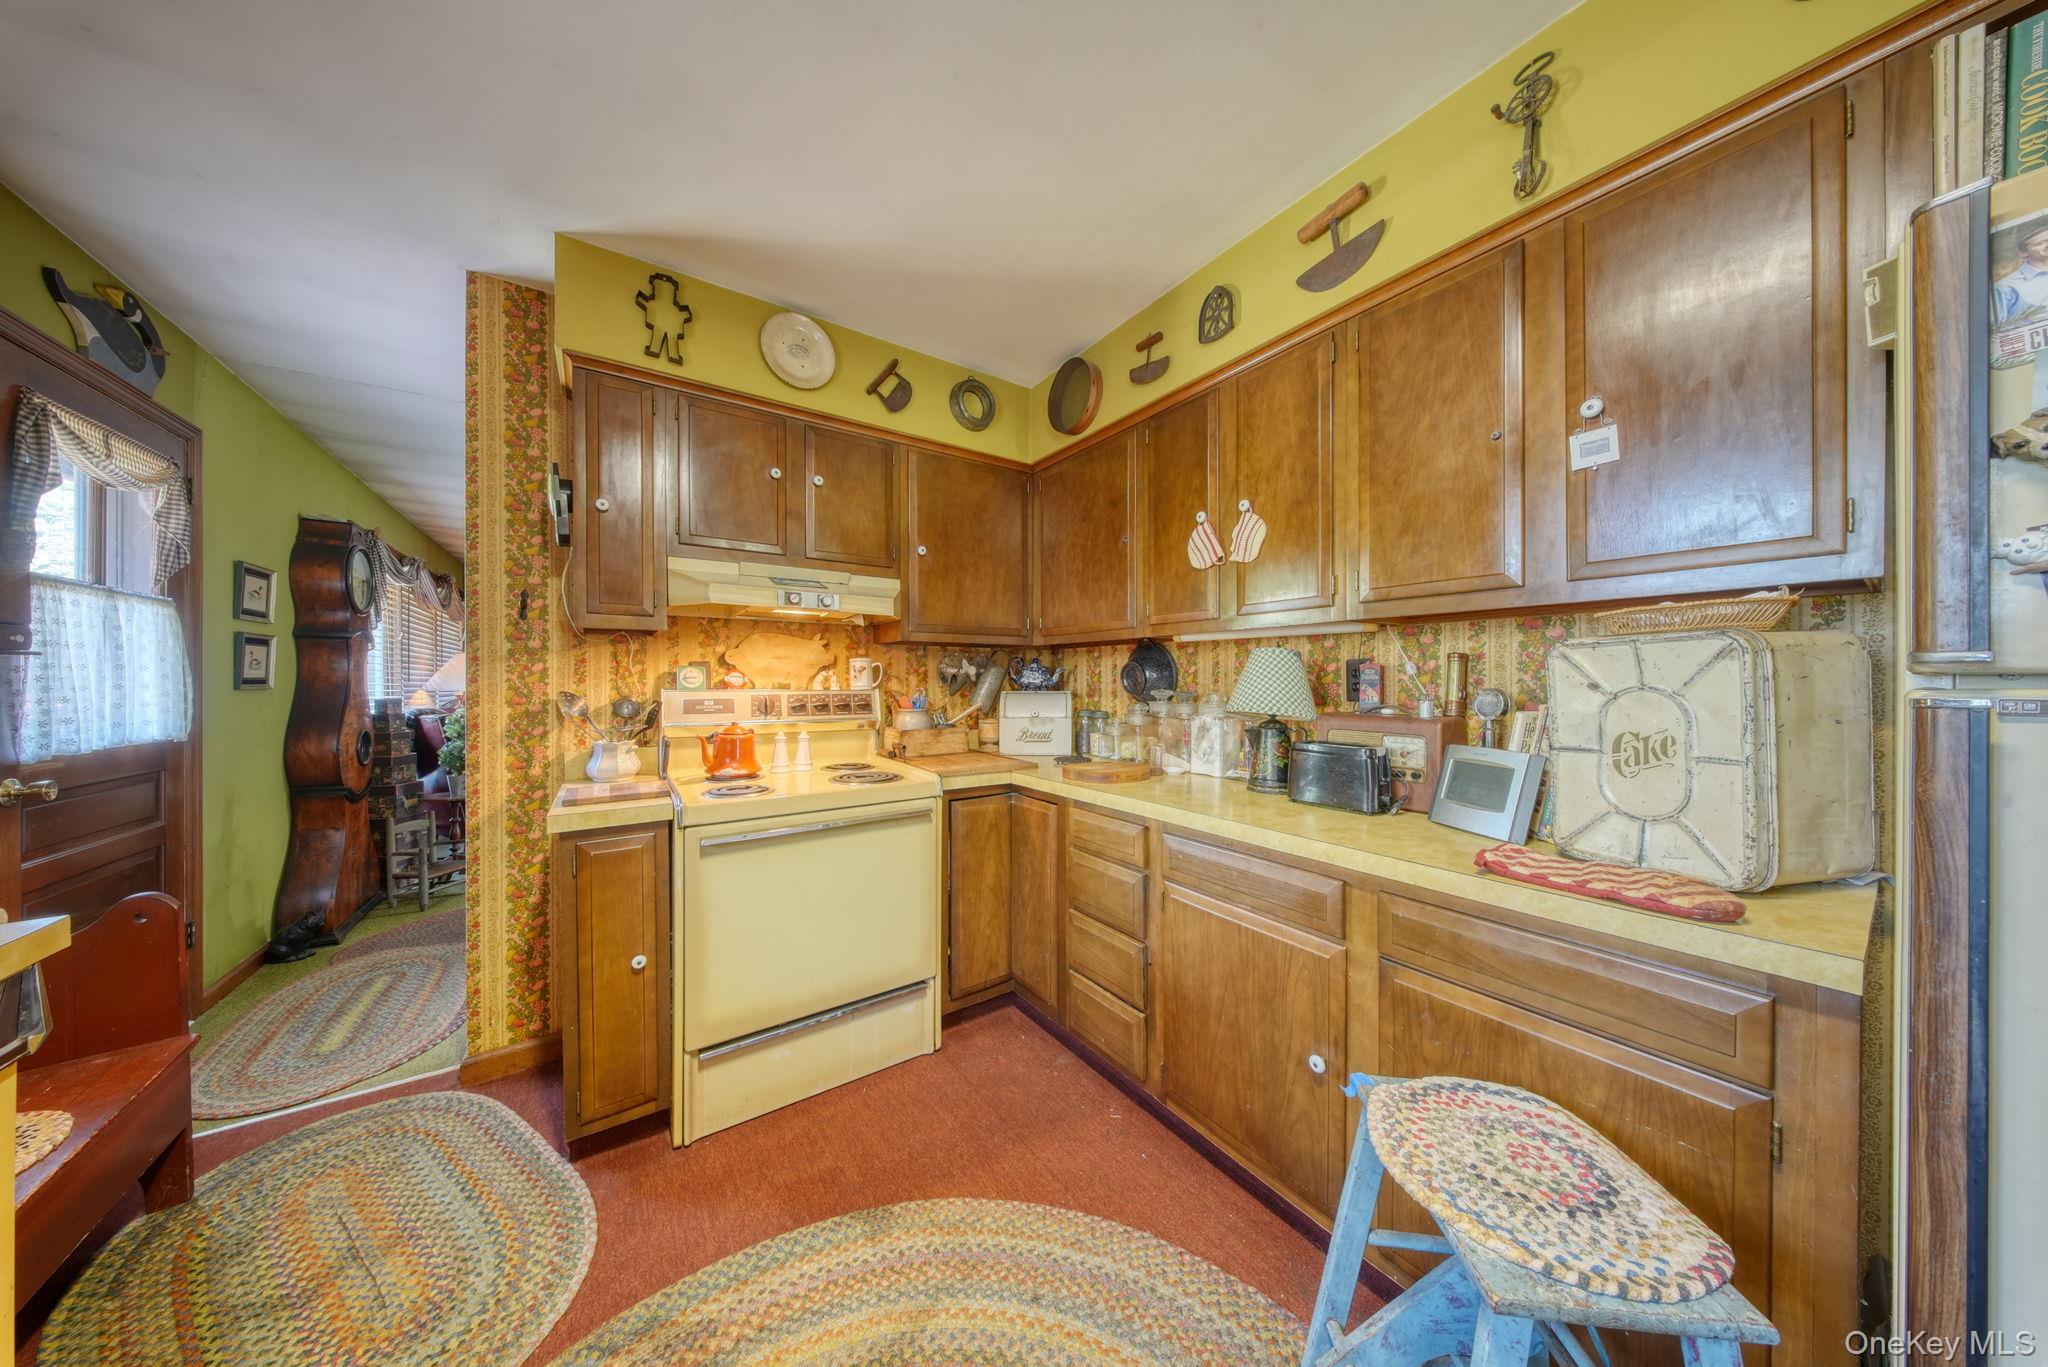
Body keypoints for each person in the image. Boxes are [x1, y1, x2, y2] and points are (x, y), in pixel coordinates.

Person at [1993, 221, 2048, 326]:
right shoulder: (2005, 287)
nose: (2047, 245)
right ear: (2023, 253)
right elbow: (1997, 332)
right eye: (2040, 243)